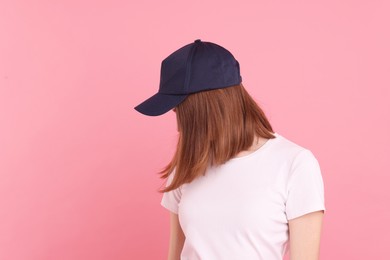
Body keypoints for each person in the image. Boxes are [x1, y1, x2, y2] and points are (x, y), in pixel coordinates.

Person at [134, 39, 326, 260]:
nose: (179, 126)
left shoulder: (295, 163)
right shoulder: (187, 163)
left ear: (206, 109)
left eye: (180, 113)